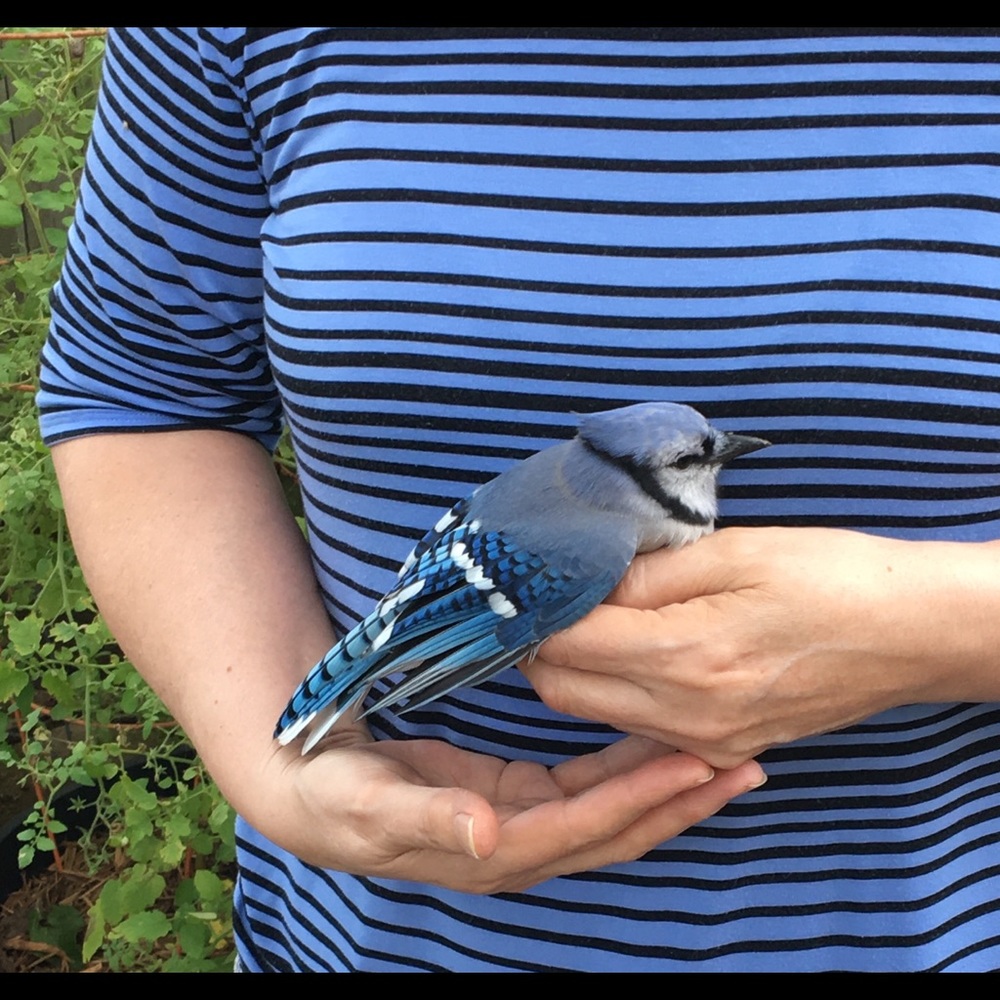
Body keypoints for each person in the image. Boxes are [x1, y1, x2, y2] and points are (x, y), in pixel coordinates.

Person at [39, 28, 1000, 971]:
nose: (718, 459)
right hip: (381, 927)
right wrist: (285, 764)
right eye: (694, 457)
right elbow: (141, 386)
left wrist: (937, 630)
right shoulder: (594, 550)